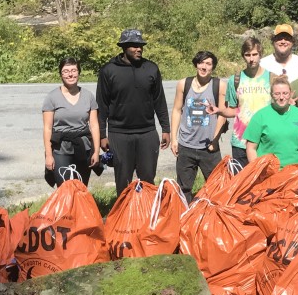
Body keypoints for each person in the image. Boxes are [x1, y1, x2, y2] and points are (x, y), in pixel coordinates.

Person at [97, 28, 170, 195]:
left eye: (141, 46)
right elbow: (102, 105)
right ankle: (124, 217)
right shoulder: (108, 70)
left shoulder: (151, 68)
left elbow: (159, 101)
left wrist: (166, 129)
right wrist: (102, 135)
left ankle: (147, 216)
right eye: (134, 46)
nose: (139, 49)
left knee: (148, 181)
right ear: (124, 47)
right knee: (123, 182)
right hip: (119, 134)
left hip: (147, 133)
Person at [171, 50, 226, 200]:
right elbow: (176, 110)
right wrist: (174, 139)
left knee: (216, 188)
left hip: (209, 148)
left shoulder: (219, 85)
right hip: (186, 145)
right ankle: (183, 219)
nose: (204, 67)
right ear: (196, 64)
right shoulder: (184, 84)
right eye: (201, 63)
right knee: (184, 189)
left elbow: (222, 115)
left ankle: (214, 220)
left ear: (213, 68)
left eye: (208, 64)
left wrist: (214, 141)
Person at [42, 56, 100, 186]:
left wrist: (96, 151)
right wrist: (48, 155)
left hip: (83, 146)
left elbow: (95, 126)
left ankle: (79, 207)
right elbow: (47, 128)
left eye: (73, 70)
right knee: (65, 187)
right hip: (60, 148)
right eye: (66, 71)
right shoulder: (52, 97)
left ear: (79, 72)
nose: (70, 74)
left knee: (81, 186)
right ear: (61, 74)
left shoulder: (88, 96)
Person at [220, 36, 272, 166]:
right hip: (240, 141)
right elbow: (234, 110)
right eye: (248, 55)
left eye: (255, 54)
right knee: (243, 183)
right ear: (243, 56)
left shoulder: (271, 78)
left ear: (261, 55)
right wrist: (220, 111)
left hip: (265, 140)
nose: (251, 59)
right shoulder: (235, 80)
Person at [243, 78, 298, 167]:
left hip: (296, 172)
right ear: (271, 95)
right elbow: (251, 148)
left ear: (291, 94)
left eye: (285, 93)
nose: (281, 97)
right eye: (277, 94)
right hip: (269, 172)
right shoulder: (261, 116)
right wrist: (257, 170)